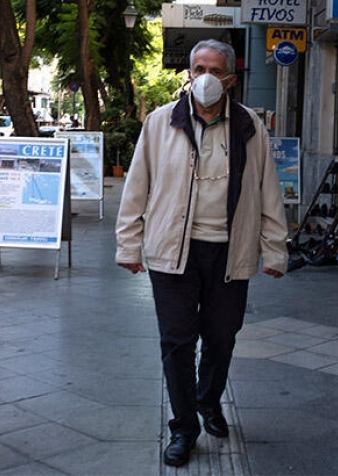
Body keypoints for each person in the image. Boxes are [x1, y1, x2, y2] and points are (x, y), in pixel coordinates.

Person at [115, 39, 289, 467]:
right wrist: (128, 243)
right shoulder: (160, 122)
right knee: (177, 341)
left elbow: (269, 190)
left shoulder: (250, 126)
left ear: (230, 78)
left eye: (214, 69)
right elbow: (137, 185)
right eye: (198, 67)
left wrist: (275, 250)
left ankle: (208, 400)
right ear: (188, 73)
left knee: (221, 337)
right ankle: (184, 427)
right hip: (173, 251)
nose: (205, 77)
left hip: (230, 252)